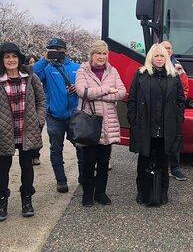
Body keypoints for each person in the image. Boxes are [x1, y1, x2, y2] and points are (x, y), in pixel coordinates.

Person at [127, 44, 185, 206]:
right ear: (150, 57)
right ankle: (141, 192)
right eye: (156, 56)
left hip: (166, 127)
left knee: (163, 161)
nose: (159, 59)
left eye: (162, 56)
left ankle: (163, 192)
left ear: (166, 58)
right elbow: (132, 99)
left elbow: (181, 100)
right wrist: (133, 119)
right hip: (145, 126)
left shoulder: (174, 76)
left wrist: (177, 118)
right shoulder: (141, 74)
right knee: (143, 160)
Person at [75, 40, 126, 207]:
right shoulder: (83, 71)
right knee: (89, 161)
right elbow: (82, 92)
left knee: (104, 161)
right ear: (92, 54)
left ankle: (101, 193)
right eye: (99, 53)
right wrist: (106, 89)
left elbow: (122, 93)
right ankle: (87, 194)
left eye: (105, 54)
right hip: (90, 123)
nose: (102, 57)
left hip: (108, 123)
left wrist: (97, 94)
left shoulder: (113, 71)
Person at [0, 43, 45, 221]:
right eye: (7, 57)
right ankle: (2, 201)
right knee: (2, 169)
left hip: (27, 131)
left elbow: (41, 101)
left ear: (19, 59)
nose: (11, 60)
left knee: (27, 167)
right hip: (4, 133)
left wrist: (39, 121)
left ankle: (27, 199)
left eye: (14, 56)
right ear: (2, 60)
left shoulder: (31, 77)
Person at [33, 38, 84, 193]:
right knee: (56, 149)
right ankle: (61, 181)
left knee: (81, 147)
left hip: (75, 115)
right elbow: (32, 75)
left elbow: (86, 85)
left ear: (65, 51)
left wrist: (78, 88)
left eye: (58, 50)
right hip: (54, 116)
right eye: (52, 49)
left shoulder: (77, 67)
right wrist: (44, 59)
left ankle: (84, 177)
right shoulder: (46, 69)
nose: (56, 52)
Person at [160, 40, 189, 181]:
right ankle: (159, 167)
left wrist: (179, 107)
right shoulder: (152, 66)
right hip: (156, 112)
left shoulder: (178, 67)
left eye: (170, 48)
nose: (168, 50)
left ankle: (175, 167)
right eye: (165, 48)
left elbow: (185, 88)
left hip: (173, 111)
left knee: (175, 139)